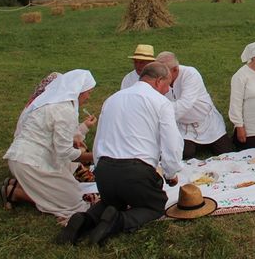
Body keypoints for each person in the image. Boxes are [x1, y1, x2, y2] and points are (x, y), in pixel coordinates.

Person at [58, 62, 184, 246]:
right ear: (158, 81)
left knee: (111, 202)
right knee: (154, 205)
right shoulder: (161, 102)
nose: (168, 90)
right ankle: (117, 221)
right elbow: (172, 143)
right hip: (135, 172)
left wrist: (98, 168)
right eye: (167, 84)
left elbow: (99, 139)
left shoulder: (112, 99)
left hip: (104, 171)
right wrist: (171, 173)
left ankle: (84, 219)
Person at [2, 70, 96, 223]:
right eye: (88, 93)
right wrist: (95, 156)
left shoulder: (54, 104)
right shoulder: (64, 109)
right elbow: (65, 152)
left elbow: (62, 137)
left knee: (74, 190)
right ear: (79, 91)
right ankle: (15, 192)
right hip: (31, 163)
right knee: (75, 205)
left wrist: (83, 129)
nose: (88, 97)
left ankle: (20, 185)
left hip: (25, 160)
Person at [156, 51, 233, 159]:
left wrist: (164, 116)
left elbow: (185, 104)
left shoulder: (190, 74)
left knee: (226, 151)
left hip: (207, 122)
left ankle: (204, 144)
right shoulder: (158, 79)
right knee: (185, 153)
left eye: (164, 73)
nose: (160, 77)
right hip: (184, 126)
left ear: (175, 70)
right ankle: (194, 145)